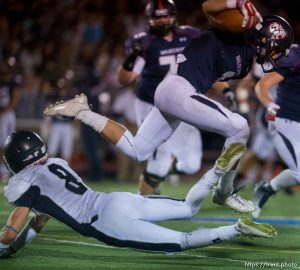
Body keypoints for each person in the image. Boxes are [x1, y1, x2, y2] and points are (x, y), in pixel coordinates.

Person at [44, 0, 293, 213]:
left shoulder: (247, 60)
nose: (275, 57)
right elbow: (208, 6)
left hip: (174, 92)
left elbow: (213, 66)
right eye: (276, 50)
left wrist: (226, 90)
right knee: (240, 128)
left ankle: (82, 112)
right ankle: (224, 191)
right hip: (177, 89)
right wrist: (235, 4)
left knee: (138, 149)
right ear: (266, 40)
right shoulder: (237, 29)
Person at [0, 130, 276, 258]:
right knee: (187, 209)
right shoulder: (56, 163)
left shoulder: (25, 182)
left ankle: (237, 229)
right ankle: (216, 171)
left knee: (179, 243)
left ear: (15, 160)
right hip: (116, 199)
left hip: (104, 222)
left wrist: (6, 245)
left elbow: (11, 231)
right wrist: (14, 248)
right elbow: (41, 219)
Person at [118, 0, 203, 195]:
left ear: (173, 16)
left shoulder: (189, 36)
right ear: (149, 19)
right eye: (158, 16)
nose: (163, 20)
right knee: (159, 153)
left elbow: (205, 64)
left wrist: (225, 89)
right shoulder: (144, 42)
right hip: (151, 104)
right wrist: (130, 58)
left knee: (191, 164)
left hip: (181, 104)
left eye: (166, 15)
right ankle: (145, 196)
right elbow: (125, 79)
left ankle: (158, 176)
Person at [252, 44, 300, 218]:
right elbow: (262, 85)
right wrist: (269, 104)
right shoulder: (294, 55)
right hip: (286, 122)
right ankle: (268, 188)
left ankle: (267, 188)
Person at [0, 63, 21, 183]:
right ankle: (4, 171)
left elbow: (15, 99)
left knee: (6, 143)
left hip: (7, 115)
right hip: (3, 113)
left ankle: (5, 171)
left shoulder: (14, 83)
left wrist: (4, 112)